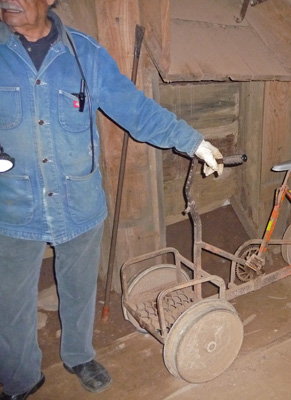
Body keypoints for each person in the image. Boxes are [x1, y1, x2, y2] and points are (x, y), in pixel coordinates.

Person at [0, 0, 224, 398]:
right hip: (13, 207)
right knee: (10, 300)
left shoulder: (85, 54)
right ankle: (20, 379)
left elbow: (136, 110)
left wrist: (194, 142)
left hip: (78, 201)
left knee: (79, 288)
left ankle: (79, 355)